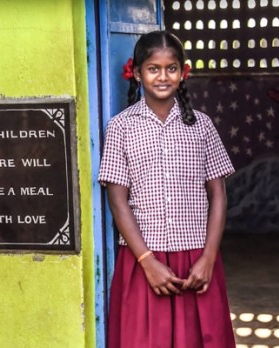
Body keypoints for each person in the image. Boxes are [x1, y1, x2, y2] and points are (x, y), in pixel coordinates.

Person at [98, 30, 236, 348]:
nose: (163, 76)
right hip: (143, 262)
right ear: (136, 72)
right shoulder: (121, 127)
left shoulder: (201, 126)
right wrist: (147, 261)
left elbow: (219, 195)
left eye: (171, 68)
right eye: (153, 68)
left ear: (182, 72)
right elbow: (117, 201)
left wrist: (209, 257)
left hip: (197, 262)